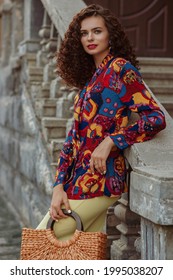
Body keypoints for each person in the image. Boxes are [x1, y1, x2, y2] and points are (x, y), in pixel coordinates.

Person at [37, 4, 166, 241]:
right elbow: (72, 140)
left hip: (102, 181)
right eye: (84, 33)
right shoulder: (90, 81)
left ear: (110, 35)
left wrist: (112, 141)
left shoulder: (120, 69)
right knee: (86, 256)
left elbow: (155, 118)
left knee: (39, 242)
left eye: (97, 31)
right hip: (75, 182)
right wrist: (58, 186)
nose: (90, 38)